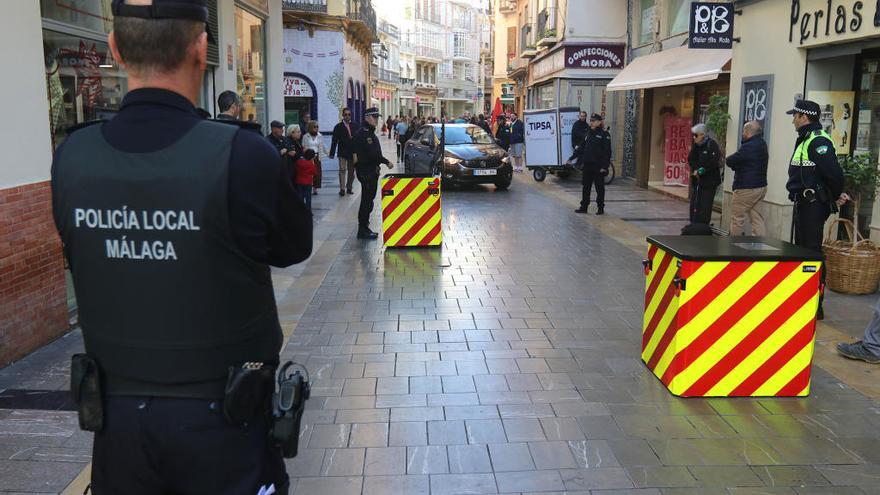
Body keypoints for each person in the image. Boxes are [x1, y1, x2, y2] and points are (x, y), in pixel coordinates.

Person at [49, 1, 313, 493]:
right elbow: (293, 247)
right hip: (226, 429)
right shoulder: (243, 154)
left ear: (115, 49)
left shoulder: (72, 158)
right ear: (201, 49)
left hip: (120, 429)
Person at [786, 99, 846, 320]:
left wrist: (835, 195)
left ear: (804, 117)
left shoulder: (818, 141)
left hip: (813, 205)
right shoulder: (805, 139)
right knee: (803, 252)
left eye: (795, 116)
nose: (793, 120)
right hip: (803, 203)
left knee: (812, 253)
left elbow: (834, 174)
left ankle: (815, 304)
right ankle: (803, 297)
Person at [351, 107, 393, 239]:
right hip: (366, 172)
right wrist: (386, 161)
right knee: (366, 202)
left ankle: (364, 226)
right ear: (367, 118)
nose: (376, 120)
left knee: (369, 201)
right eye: (374, 117)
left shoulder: (368, 132)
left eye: (377, 117)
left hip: (369, 172)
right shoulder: (365, 134)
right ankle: (362, 229)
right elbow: (373, 154)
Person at [725, 120, 769, 236]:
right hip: (760, 187)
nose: (742, 133)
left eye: (744, 130)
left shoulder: (748, 146)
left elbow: (730, 160)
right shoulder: (762, 144)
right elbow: (745, 161)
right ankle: (760, 246)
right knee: (757, 218)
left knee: (737, 218)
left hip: (746, 188)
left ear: (748, 131)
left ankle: (734, 247)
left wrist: (735, 164)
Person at [574, 114, 612, 215]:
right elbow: (582, 147)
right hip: (587, 165)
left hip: (598, 166)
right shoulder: (588, 134)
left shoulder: (604, 135)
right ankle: (584, 206)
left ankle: (600, 208)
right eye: (590, 120)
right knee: (586, 187)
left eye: (594, 120)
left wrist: (605, 166)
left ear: (599, 122)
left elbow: (607, 152)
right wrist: (572, 157)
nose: (591, 122)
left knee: (599, 188)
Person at [687, 123, 722, 225]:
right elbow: (691, 159)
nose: (694, 137)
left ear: (703, 135)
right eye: (693, 135)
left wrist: (702, 170)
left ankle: (703, 227)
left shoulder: (711, 145)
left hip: (709, 182)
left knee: (705, 206)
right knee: (694, 205)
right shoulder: (696, 146)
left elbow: (714, 161)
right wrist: (695, 169)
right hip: (698, 181)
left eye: (696, 135)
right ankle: (694, 225)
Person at [329, 108, 358, 196]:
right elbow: (334, 140)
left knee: (351, 171)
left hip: (352, 152)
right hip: (342, 151)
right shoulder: (338, 127)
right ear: (342, 115)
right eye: (345, 114)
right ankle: (342, 189)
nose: (347, 116)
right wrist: (332, 153)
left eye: (349, 114)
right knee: (342, 170)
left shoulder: (355, 125)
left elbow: (359, 139)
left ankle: (349, 187)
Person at [303, 120, 325, 195]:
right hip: (309, 156)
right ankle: (309, 186)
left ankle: (315, 188)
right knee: (309, 172)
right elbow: (304, 146)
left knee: (317, 173)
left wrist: (328, 153)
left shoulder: (320, 136)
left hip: (317, 155)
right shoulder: (306, 136)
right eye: (314, 127)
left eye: (317, 127)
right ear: (311, 127)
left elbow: (322, 145)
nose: (316, 128)